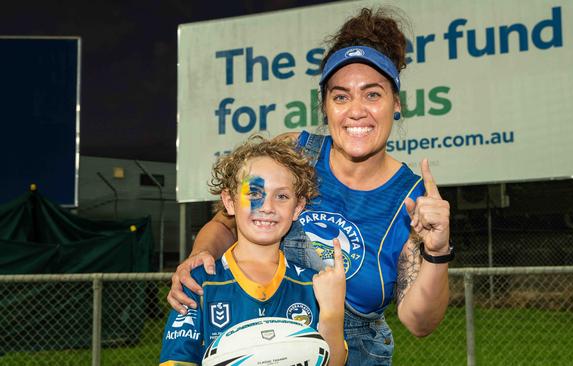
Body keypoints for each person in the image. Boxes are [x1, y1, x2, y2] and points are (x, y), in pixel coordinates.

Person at [169, 8, 452, 365]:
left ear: (396, 104)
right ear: (325, 106)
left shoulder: (411, 201)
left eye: (372, 95)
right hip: (261, 340)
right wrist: (198, 260)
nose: (356, 111)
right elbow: (226, 222)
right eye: (341, 96)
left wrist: (437, 251)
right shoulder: (295, 154)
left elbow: (419, 322)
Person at [159, 136, 347, 366]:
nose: (267, 207)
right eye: (254, 193)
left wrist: (332, 313)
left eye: (281, 196)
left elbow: (333, 361)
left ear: (297, 208)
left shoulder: (312, 285)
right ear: (229, 201)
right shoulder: (199, 282)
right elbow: (176, 360)